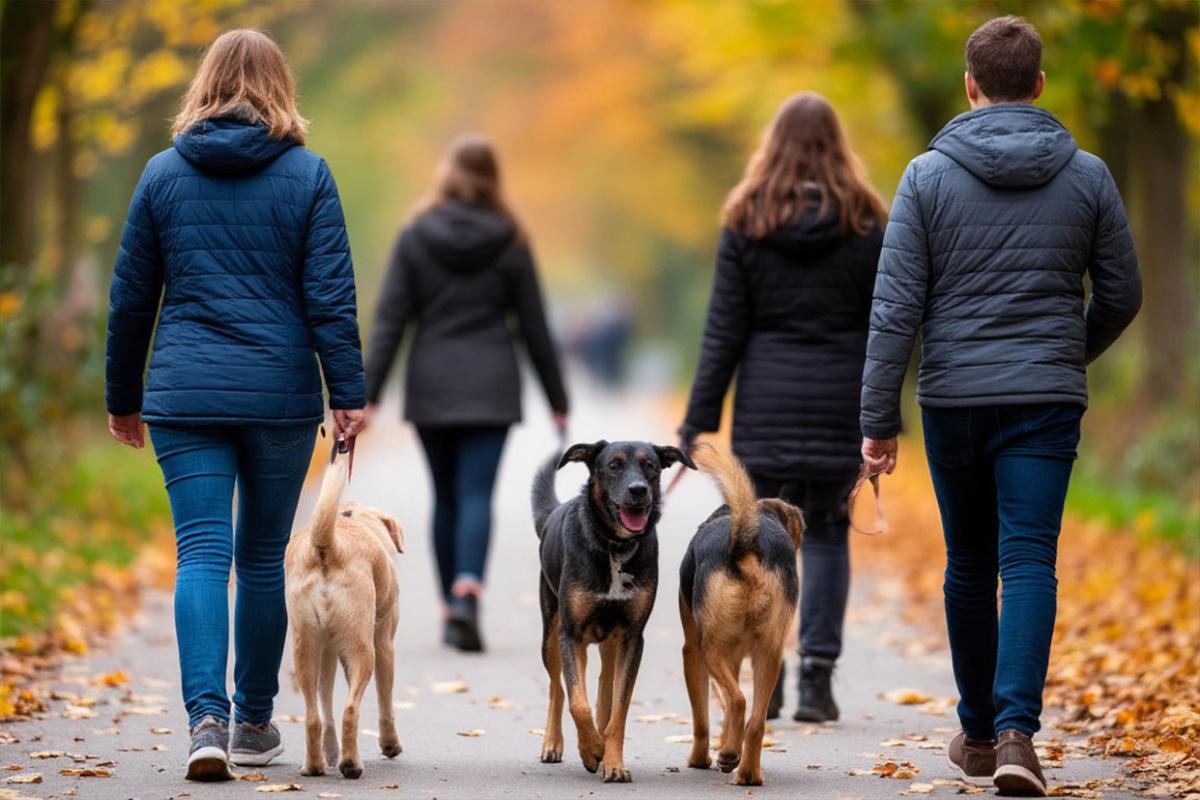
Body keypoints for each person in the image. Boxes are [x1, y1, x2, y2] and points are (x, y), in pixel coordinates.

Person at [859, 17, 1140, 796]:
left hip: (955, 397)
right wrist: (1065, 353)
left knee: (970, 564)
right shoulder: (1088, 175)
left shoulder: (925, 177)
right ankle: (1017, 735)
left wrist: (878, 422)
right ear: (1041, 84)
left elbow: (894, 309)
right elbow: (1123, 293)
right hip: (1045, 400)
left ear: (970, 84)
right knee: (1028, 560)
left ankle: (978, 733)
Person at [104, 30, 365, 781]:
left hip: (185, 393)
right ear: (281, 86)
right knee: (259, 557)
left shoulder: (160, 175)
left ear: (203, 83)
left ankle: (205, 721)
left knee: (202, 553)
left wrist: (124, 397)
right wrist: (347, 394)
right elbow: (330, 300)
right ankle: (254, 721)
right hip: (278, 395)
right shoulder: (309, 176)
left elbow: (130, 302)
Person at [679, 92, 886, 722]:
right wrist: (883, 411)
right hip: (840, 400)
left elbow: (724, 330)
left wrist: (698, 420)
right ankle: (816, 682)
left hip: (766, 399)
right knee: (825, 535)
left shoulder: (748, 217)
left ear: (773, 145)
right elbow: (887, 321)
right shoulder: (866, 220)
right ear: (837, 145)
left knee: (759, 540)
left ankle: (759, 680)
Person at [364, 134, 569, 653]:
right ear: (493, 178)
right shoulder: (510, 238)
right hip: (492, 381)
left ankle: (448, 606)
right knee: (477, 493)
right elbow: (534, 325)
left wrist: (369, 394)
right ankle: (468, 592)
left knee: (446, 495)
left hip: (432, 378)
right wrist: (557, 398)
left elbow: (392, 320)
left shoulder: (415, 236)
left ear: (446, 175)